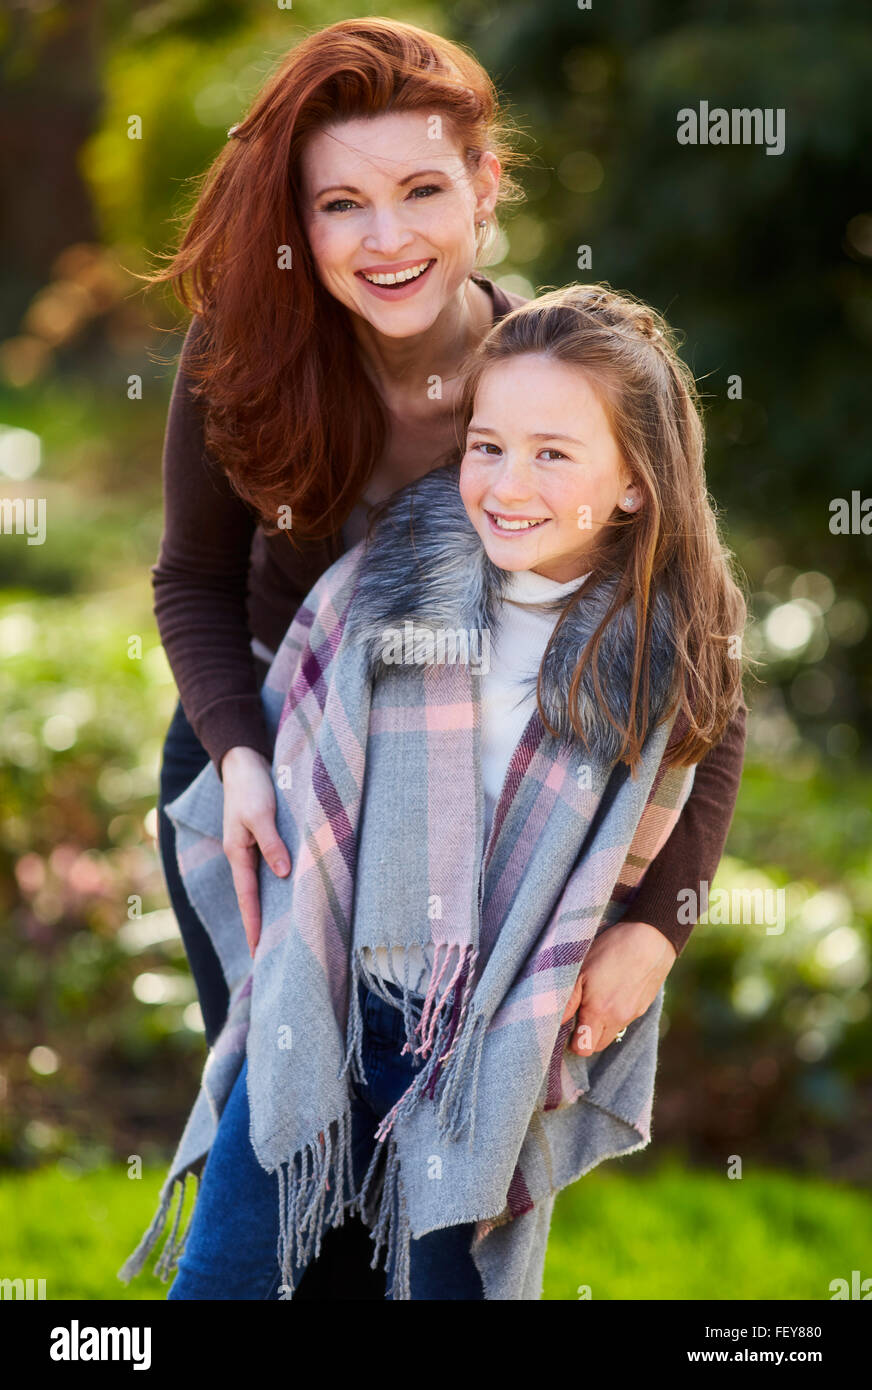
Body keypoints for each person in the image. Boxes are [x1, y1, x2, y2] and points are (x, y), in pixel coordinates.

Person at [147, 18, 746, 1294]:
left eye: (421, 189)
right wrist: (239, 758)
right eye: (340, 204)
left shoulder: (557, 377)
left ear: (484, 186)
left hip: (486, 827)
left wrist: (654, 926)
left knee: (416, 1222)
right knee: (294, 1157)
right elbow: (190, 582)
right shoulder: (244, 353)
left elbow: (698, 666)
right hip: (275, 780)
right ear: (299, 225)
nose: (386, 238)